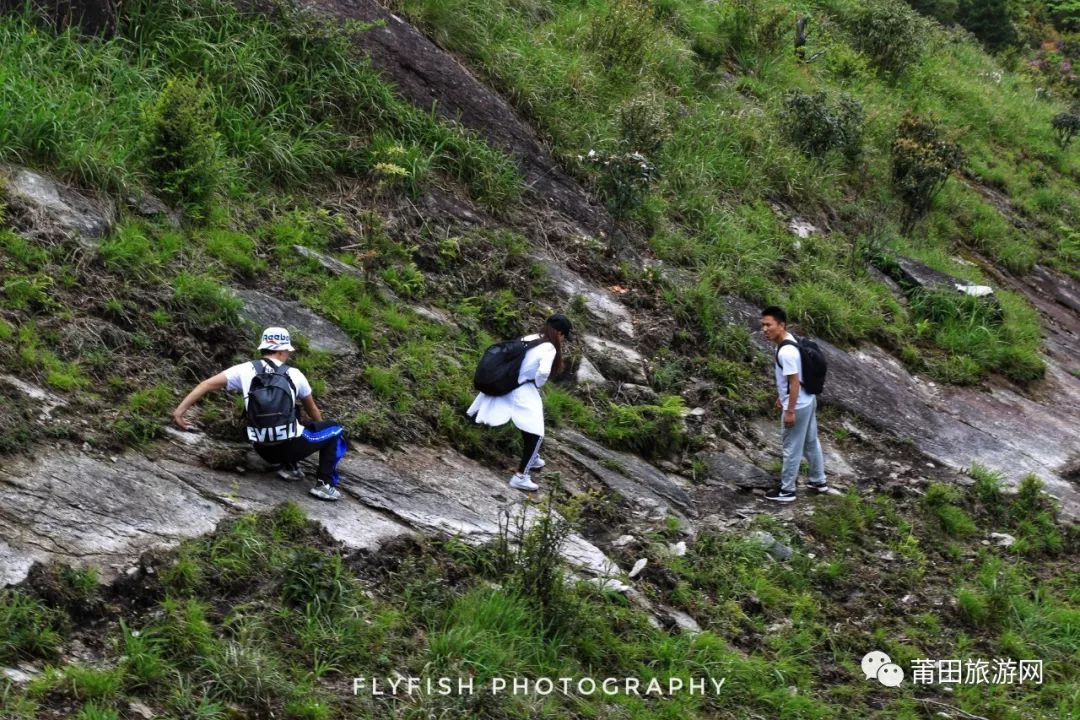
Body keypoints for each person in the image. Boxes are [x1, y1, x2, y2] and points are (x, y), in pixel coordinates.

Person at [171, 327, 346, 501]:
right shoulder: (294, 374)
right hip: (291, 447)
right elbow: (313, 410)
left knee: (293, 412)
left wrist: (179, 412)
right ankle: (325, 485)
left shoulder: (244, 369)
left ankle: (289, 468)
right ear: (282, 350)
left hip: (262, 449)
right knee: (334, 429)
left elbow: (206, 385)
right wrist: (321, 434)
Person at [467, 314, 574, 492]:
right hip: (521, 388)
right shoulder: (550, 348)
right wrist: (538, 384)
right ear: (560, 334)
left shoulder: (532, 337)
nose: (563, 341)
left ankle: (533, 458)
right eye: (564, 337)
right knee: (537, 433)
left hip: (506, 382)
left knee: (527, 425)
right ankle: (521, 477)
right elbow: (543, 371)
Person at [760, 306, 828, 502]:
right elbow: (792, 382)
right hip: (808, 399)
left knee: (791, 447)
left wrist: (789, 410)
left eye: (768, 325)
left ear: (781, 325)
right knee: (810, 441)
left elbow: (794, 382)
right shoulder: (791, 341)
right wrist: (782, 397)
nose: (765, 329)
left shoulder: (786, 352)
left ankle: (787, 490)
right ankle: (818, 480)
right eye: (763, 325)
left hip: (797, 405)